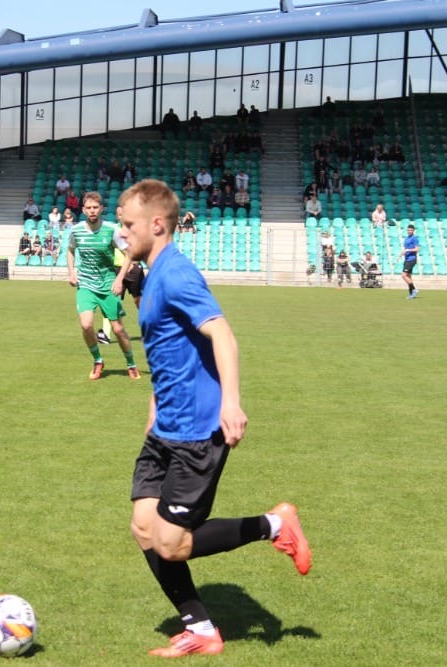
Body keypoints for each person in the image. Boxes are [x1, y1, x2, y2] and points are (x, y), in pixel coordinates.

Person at [116, 179, 310, 658]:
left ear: (156, 224)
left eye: (128, 225)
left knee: (171, 543)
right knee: (144, 527)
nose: (123, 234)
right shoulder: (152, 275)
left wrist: (231, 402)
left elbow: (222, 333)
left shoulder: (177, 273)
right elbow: (168, 352)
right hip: (166, 427)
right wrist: (153, 409)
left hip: (198, 430)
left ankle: (274, 524)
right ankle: (201, 630)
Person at [66, 191, 139, 380]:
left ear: (101, 209)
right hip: (86, 284)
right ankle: (98, 361)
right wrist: (71, 272)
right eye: (88, 207)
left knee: (118, 329)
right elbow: (71, 251)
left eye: (95, 207)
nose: (92, 210)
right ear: (83, 210)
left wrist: (119, 279)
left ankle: (131, 364)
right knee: (86, 325)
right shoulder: (76, 231)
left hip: (107, 284)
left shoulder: (111, 230)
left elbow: (129, 254)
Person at [399, 223, 419, 299]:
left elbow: (417, 249)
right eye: (408, 230)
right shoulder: (406, 239)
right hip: (407, 259)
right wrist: (402, 253)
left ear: (413, 231)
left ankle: (414, 289)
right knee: (409, 277)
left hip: (411, 259)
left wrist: (408, 250)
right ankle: (411, 294)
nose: (409, 231)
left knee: (403, 275)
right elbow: (405, 248)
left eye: (411, 230)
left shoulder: (414, 238)